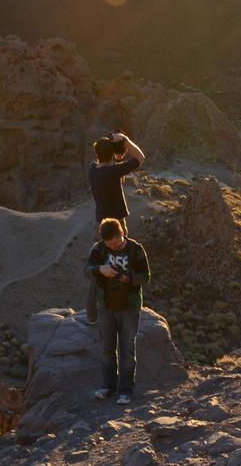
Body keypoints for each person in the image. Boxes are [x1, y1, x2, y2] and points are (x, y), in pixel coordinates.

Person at [85, 217, 150, 405]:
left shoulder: (136, 250)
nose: (112, 247)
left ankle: (126, 391)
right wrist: (101, 270)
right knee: (106, 349)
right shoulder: (99, 249)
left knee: (127, 351)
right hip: (105, 308)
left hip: (128, 309)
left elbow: (146, 276)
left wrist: (128, 280)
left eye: (115, 244)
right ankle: (108, 387)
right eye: (109, 245)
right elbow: (86, 271)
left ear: (122, 234)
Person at [85, 131, 145, 322]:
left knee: (99, 269)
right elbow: (140, 157)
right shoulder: (110, 172)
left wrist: (117, 158)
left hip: (99, 225)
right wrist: (126, 139)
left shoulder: (93, 169)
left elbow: (118, 180)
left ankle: (92, 315)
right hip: (115, 228)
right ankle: (125, 308)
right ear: (109, 154)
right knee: (125, 266)